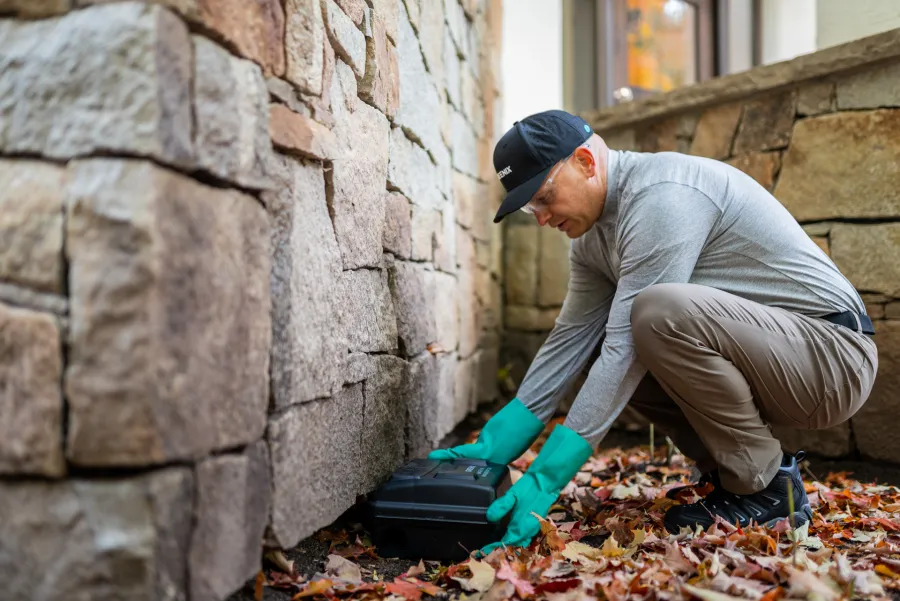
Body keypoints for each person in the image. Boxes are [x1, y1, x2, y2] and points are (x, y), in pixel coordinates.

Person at [428, 109, 878, 554]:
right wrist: (494, 445)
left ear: (586, 162)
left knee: (656, 313)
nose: (541, 217)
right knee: (607, 338)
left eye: (544, 196)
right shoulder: (590, 239)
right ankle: (732, 476)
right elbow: (569, 340)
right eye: (530, 207)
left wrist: (546, 478)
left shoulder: (662, 196)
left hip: (833, 357)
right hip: (780, 359)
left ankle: (766, 489)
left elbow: (627, 347)